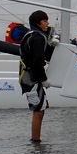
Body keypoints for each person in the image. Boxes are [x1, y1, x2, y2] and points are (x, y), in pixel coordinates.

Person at [18, 10, 57, 142]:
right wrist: (44, 79)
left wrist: (53, 47)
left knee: (41, 108)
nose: (48, 23)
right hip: (31, 78)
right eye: (45, 21)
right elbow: (37, 61)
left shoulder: (32, 35)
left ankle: (36, 140)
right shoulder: (38, 38)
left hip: (29, 76)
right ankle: (35, 141)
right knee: (38, 109)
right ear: (38, 23)